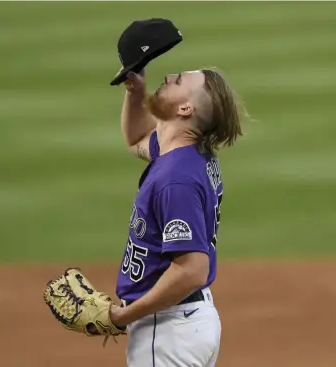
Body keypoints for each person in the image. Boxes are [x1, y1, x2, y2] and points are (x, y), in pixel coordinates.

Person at [109, 67, 244, 367]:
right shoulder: (182, 153)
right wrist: (135, 92)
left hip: (169, 330)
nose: (168, 77)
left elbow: (192, 270)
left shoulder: (176, 178)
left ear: (185, 108)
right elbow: (136, 139)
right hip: (185, 323)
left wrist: (122, 317)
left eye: (179, 81)